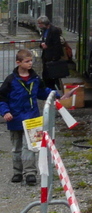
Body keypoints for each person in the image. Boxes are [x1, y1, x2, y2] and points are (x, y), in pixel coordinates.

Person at [0, 49, 59, 185]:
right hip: (15, 118)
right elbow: (1, 98)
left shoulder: (36, 78)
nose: (30, 63)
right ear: (18, 62)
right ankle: (17, 172)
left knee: (30, 146)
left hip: (32, 118)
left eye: (31, 61)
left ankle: (30, 173)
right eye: (27, 61)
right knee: (17, 147)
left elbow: (43, 92)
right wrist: (5, 112)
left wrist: (57, 95)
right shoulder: (10, 80)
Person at [36, 16, 68, 91]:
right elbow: (42, 40)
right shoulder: (44, 30)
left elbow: (57, 45)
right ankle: (48, 89)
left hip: (52, 57)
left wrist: (55, 58)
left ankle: (54, 90)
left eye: (40, 23)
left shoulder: (54, 30)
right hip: (46, 56)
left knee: (52, 75)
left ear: (45, 23)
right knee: (45, 75)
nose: (38, 25)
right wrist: (42, 45)